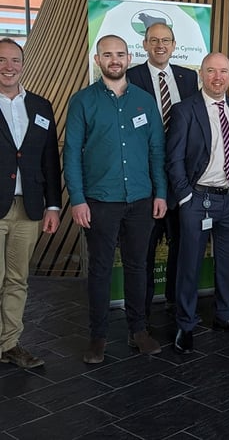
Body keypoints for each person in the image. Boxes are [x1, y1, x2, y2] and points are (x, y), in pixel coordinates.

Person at [64, 35, 167, 364]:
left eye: (120, 54)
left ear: (129, 57)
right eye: (107, 55)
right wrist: (78, 199)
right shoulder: (82, 101)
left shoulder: (145, 101)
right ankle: (98, 337)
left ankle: (138, 331)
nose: (114, 60)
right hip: (100, 201)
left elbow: (156, 152)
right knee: (100, 270)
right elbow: (71, 155)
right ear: (98, 60)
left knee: (139, 267)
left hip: (140, 200)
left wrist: (160, 192)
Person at [166, 52, 229, 354]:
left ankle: (224, 316)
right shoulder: (184, 110)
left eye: (223, 71)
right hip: (197, 198)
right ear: (201, 74)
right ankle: (185, 324)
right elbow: (173, 158)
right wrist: (185, 195)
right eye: (211, 71)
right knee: (189, 264)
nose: (217, 77)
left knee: (228, 264)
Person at [127, 23, 198, 318]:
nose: (160, 45)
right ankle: (141, 314)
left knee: (182, 247)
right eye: (154, 40)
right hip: (146, 181)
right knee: (144, 250)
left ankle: (175, 303)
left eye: (166, 40)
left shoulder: (189, 77)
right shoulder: (131, 77)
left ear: (174, 44)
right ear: (144, 44)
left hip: (182, 180)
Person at [0, 38, 61, 369]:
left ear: (24, 64)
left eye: (15, 60)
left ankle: (9, 343)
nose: (9, 66)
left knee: (17, 279)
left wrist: (54, 205)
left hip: (29, 208)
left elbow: (50, 158)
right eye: (2, 60)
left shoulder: (41, 106)